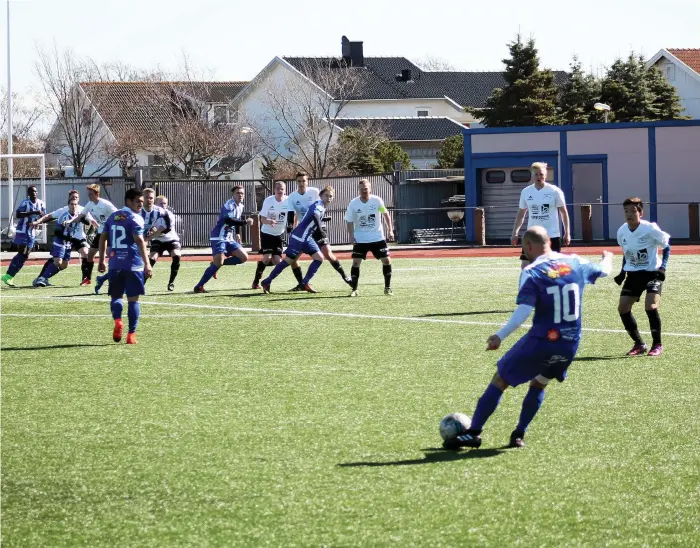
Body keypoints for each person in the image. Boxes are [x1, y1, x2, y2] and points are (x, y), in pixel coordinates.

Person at [443, 226, 613, 450]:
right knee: (539, 384)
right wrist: (607, 257)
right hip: (569, 345)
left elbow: (523, 311)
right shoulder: (576, 262)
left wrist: (499, 336)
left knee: (500, 380)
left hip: (542, 341)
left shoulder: (532, 271)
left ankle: (473, 432)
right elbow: (604, 271)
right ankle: (518, 434)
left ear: (529, 247)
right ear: (549, 243)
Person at [614, 197, 671, 357]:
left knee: (650, 306)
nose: (629, 214)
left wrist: (663, 268)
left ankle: (657, 344)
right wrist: (622, 271)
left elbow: (666, 245)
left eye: (633, 211)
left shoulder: (650, 229)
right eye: (626, 211)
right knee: (623, 308)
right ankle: (639, 343)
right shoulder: (622, 231)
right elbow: (628, 252)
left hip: (652, 273)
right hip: (633, 275)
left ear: (640, 212)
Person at [98, 188, 152, 345]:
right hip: (133, 264)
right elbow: (140, 240)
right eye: (138, 201)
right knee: (133, 300)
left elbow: (103, 238)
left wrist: (101, 260)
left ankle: (117, 320)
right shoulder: (135, 218)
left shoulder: (112, 217)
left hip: (115, 264)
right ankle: (131, 334)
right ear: (128, 201)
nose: (141, 205)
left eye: (142, 202)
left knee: (116, 297)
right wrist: (147, 263)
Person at [261, 185, 335, 294]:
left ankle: (304, 283)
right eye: (326, 195)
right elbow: (314, 215)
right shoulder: (319, 205)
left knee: (319, 258)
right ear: (320, 196)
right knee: (289, 261)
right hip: (300, 237)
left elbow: (310, 217)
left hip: (306, 237)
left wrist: (323, 219)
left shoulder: (321, 206)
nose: (328, 198)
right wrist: (320, 230)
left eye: (330, 196)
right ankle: (267, 281)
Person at [287, 172, 351, 290]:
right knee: (293, 259)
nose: (302, 183)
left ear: (307, 181)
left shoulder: (315, 192)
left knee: (328, 254)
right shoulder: (292, 197)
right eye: (299, 181)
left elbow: (320, 207)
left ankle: (346, 277)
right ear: (296, 182)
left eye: (304, 181)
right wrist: (290, 226)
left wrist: (323, 219)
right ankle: (302, 284)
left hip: (319, 228)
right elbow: (291, 214)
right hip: (304, 232)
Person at [193, 185, 253, 293]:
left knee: (244, 257)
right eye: (238, 193)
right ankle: (199, 286)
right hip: (219, 236)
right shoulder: (229, 204)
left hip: (229, 237)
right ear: (233, 194)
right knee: (219, 262)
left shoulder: (241, 206)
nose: (240, 195)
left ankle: (215, 264)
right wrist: (245, 222)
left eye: (242, 193)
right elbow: (229, 220)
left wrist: (238, 233)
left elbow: (236, 220)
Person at [511, 162, 571, 268]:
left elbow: (563, 212)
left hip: (551, 235)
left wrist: (567, 233)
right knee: (525, 265)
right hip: (532, 235)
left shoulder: (555, 191)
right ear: (532, 175)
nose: (539, 177)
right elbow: (521, 214)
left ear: (546, 175)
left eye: (541, 174)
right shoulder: (526, 192)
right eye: (536, 174)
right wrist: (515, 232)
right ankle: (531, 285)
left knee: (552, 267)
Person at [31, 194, 97, 287]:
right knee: (58, 261)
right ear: (69, 201)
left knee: (68, 263)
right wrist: (38, 222)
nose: (74, 205)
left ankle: (85, 279)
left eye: (76, 199)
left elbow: (91, 221)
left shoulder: (82, 210)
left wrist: (99, 228)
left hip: (78, 238)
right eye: (72, 201)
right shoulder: (63, 213)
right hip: (63, 240)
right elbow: (52, 221)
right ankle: (42, 278)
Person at [344, 179, 395, 296]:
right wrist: (351, 235)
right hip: (360, 238)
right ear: (358, 190)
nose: (364, 191)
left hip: (377, 237)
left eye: (366, 189)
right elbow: (349, 221)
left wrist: (390, 230)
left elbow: (385, 214)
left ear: (370, 189)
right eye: (361, 189)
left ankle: (387, 288)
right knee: (356, 263)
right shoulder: (353, 203)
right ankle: (354, 289)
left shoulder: (377, 201)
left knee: (386, 260)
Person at [2, 185, 46, 287]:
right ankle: (8, 275)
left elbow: (44, 215)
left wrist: (40, 219)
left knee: (26, 255)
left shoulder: (41, 203)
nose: (34, 193)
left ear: (37, 193)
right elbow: (18, 214)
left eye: (35, 191)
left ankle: (9, 276)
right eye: (31, 192)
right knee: (22, 252)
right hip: (23, 230)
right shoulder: (25, 203)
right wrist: (33, 212)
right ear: (28, 194)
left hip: (32, 232)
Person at [252, 181, 289, 289]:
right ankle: (256, 282)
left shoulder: (288, 201)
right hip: (267, 233)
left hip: (279, 234)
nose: (279, 190)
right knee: (267, 257)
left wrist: (292, 226)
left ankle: (263, 268)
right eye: (277, 188)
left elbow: (293, 215)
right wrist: (270, 222)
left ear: (285, 190)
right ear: (274, 190)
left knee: (278, 262)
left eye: (282, 189)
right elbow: (262, 219)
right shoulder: (269, 201)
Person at [81, 184, 118, 286]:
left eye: (91, 194)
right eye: (88, 194)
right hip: (100, 232)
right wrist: (71, 221)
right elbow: (81, 215)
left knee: (112, 255)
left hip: (110, 232)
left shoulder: (106, 204)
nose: (89, 196)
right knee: (90, 255)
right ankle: (87, 279)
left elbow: (119, 215)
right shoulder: (90, 204)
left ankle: (112, 278)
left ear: (97, 194)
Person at [149, 195, 182, 292]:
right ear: (155, 204)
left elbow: (166, 229)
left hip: (171, 239)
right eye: (160, 203)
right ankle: (141, 282)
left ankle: (171, 282)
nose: (163, 205)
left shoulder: (169, 215)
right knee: (152, 259)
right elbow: (149, 227)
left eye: (165, 203)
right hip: (157, 240)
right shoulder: (151, 214)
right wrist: (150, 231)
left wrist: (152, 232)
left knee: (176, 256)